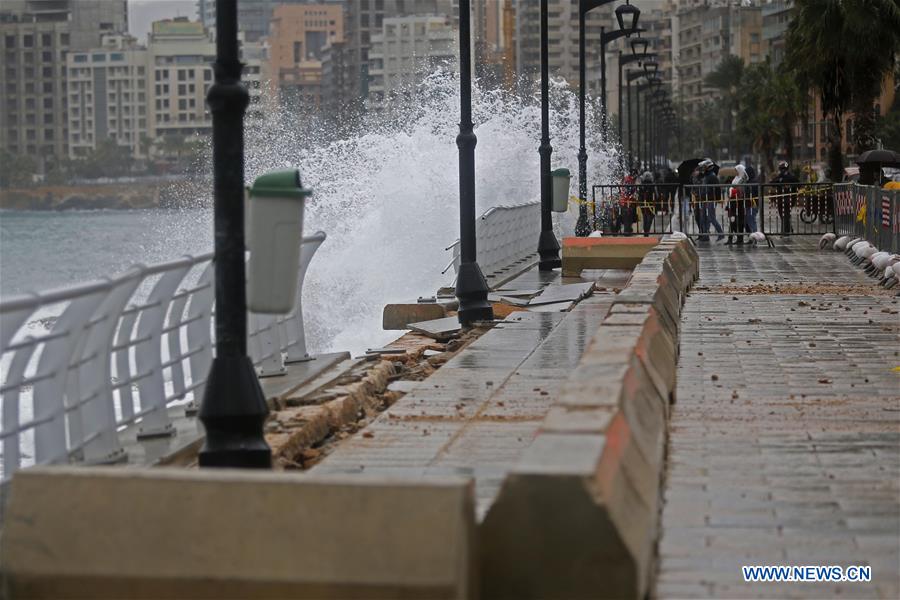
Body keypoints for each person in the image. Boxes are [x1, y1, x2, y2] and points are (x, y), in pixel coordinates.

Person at [771, 160, 799, 233]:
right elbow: (772, 183)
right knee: (782, 214)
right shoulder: (779, 176)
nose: (783, 171)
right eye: (781, 169)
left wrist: (782, 181)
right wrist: (779, 180)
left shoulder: (791, 177)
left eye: (784, 169)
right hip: (780, 199)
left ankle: (785, 231)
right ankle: (789, 228)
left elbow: (798, 183)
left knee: (786, 214)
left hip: (789, 198)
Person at [726, 164, 749, 245]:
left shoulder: (744, 179)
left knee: (739, 221)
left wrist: (735, 190)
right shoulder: (736, 178)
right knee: (732, 220)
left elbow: (742, 191)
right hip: (733, 202)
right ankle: (730, 238)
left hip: (739, 203)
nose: (735, 172)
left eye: (736, 170)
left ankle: (740, 238)